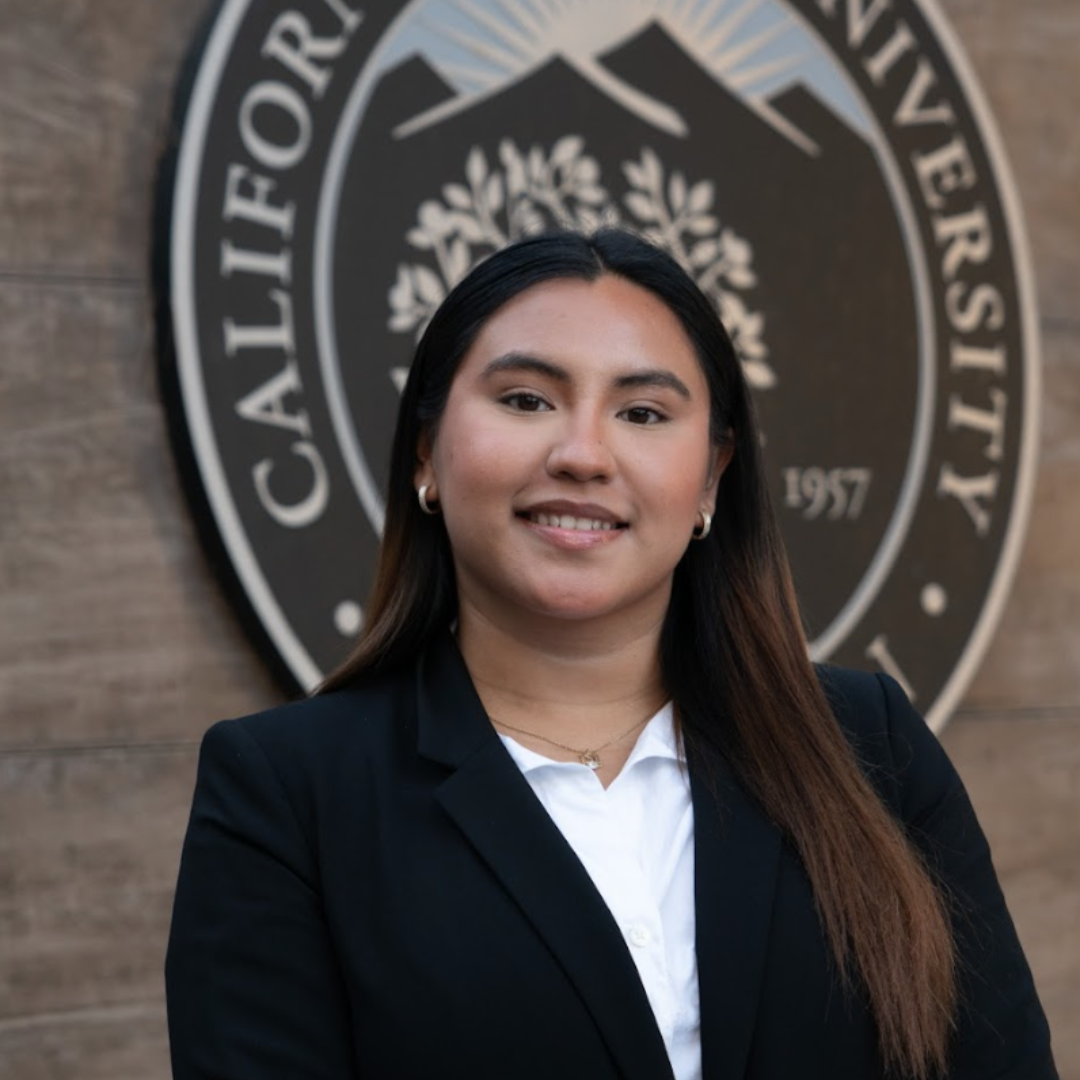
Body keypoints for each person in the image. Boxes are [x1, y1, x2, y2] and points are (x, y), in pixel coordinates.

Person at [165, 228, 1056, 1080]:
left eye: (642, 412)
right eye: (525, 400)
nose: (583, 454)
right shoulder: (286, 798)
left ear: (711, 477)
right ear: (427, 451)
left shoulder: (873, 751)